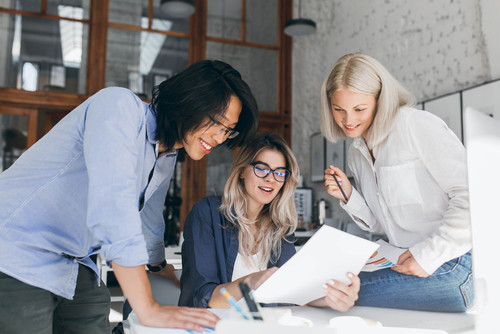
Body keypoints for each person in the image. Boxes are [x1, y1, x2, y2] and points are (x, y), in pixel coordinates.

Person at [0, 59, 259, 333]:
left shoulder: (167, 155)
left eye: (228, 130)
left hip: (73, 262)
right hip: (18, 250)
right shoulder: (119, 106)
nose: (220, 138)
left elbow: (149, 217)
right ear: (189, 101)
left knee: (93, 315)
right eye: (217, 123)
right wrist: (148, 307)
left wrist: (158, 265)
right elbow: (114, 206)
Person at [320, 52, 473, 312]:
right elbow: (384, 223)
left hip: (454, 265)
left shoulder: (416, 126)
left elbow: (474, 195)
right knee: (333, 286)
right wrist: (349, 195)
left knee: (333, 293)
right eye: (339, 109)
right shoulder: (356, 152)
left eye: (359, 109)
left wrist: (427, 256)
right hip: (404, 258)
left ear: (381, 100)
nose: (348, 120)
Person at [179, 132, 360, 312]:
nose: (270, 179)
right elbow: (204, 296)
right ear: (242, 170)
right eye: (262, 168)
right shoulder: (207, 212)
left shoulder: (281, 226)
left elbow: (290, 289)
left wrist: (330, 298)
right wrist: (249, 282)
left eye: (279, 172)